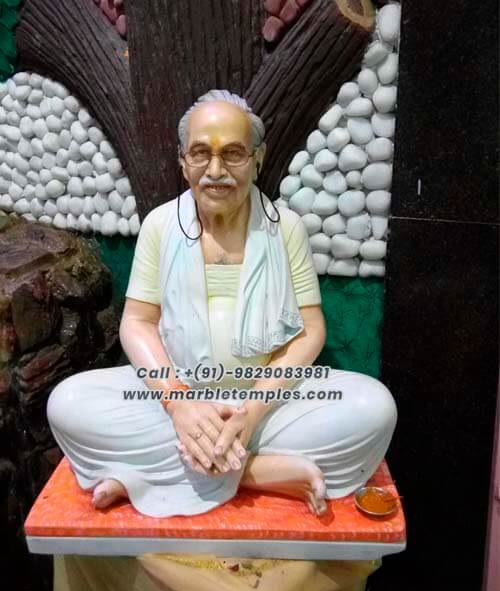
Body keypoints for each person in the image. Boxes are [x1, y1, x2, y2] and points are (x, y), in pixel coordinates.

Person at [47, 90, 397, 518]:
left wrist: (249, 414)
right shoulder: (160, 225)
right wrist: (178, 403)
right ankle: (255, 470)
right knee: (67, 402)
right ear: (182, 160)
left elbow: (310, 330)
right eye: (200, 154)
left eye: (233, 154)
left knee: (373, 407)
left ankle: (160, 470)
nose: (216, 171)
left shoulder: (284, 228)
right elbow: (137, 323)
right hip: (176, 394)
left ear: (257, 159)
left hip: (263, 402)